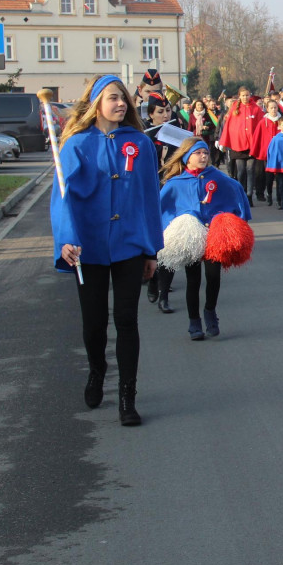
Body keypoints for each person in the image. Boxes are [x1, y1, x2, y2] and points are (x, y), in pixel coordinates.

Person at [50, 74, 164, 427]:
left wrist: (151, 250)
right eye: (113, 98)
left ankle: (127, 398)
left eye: (125, 100)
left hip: (130, 243)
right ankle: (97, 370)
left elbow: (149, 198)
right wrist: (66, 239)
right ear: (96, 102)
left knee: (127, 320)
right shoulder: (76, 145)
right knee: (94, 325)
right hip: (89, 246)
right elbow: (62, 198)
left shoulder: (140, 144)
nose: (121, 104)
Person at [158, 138, 252, 338]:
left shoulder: (217, 177)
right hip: (190, 236)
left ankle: (210, 311)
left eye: (205, 153)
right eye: (197, 153)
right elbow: (161, 209)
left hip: (214, 235)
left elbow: (235, 190)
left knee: (213, 277)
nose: (203, 157)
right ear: (186, 158)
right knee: (193, 280)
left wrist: (238, 218)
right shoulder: (175, 183)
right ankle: (194, 322)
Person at [218, 86, 262, 206]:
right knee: (241, 171)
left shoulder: (256, 109)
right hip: (238, 146)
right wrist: (223, 141)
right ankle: (241, 193)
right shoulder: (234, 108)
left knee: (250, 170)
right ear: (239, 96)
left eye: (247, 95)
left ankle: (249, 195)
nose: (245, 97)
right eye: (243, 95)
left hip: (251, 145)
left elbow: (260, 126)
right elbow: (228, 127)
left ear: (250, 95)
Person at [251, 99, 283, 205]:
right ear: (267, 109)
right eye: (271, 108)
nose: (274, 110)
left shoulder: (282, 121)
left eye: (275, 107)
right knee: (266, 176)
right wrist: (255, 151)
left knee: (279, 176)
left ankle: (280, 197)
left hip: (280, 153)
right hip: (266, 153)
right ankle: (268, 193)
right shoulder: (262, 122)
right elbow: (257, 137)